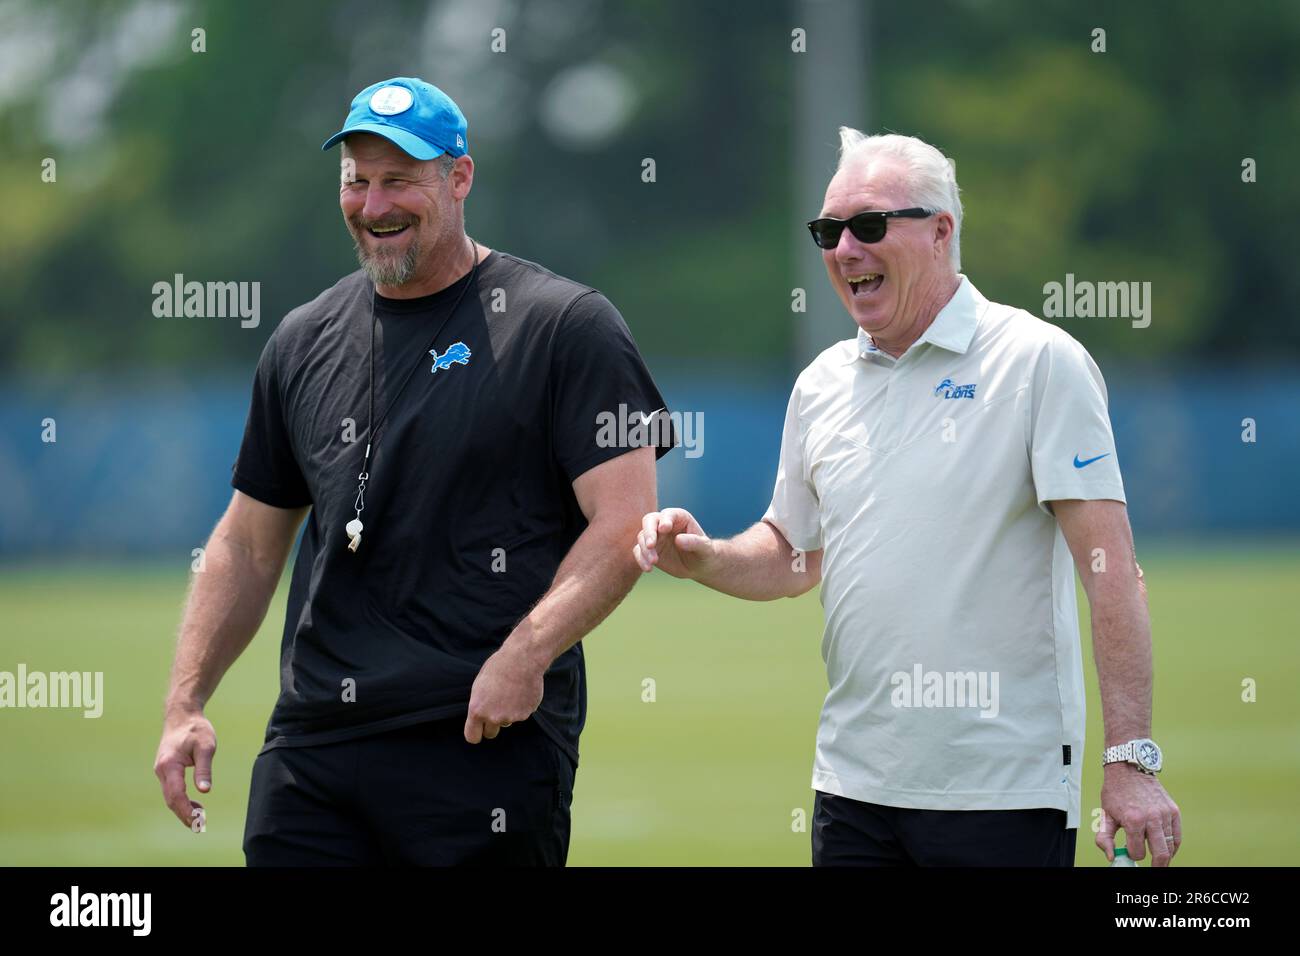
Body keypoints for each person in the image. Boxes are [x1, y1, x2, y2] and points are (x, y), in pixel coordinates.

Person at [154, 76, 673, 865]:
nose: (374, 204)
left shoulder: (565, 325)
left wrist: (525, 654)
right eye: (357, 181)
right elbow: (248, 544)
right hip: (314, 748)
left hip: (483, 733)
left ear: (459, 178)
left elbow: (626, 520)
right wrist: (185, 701)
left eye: (399, 180)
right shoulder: (301, 339)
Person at [634, 129, 1181, 867]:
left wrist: (1132, 761)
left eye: (868, 225)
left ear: (941, 232)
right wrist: (705, 557)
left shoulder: (1039, 361)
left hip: (1001, 791)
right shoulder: (821, 383)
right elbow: (794, 557)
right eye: (829, 231)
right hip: (853, 791)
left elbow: (1112, 572)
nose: (844, 250)